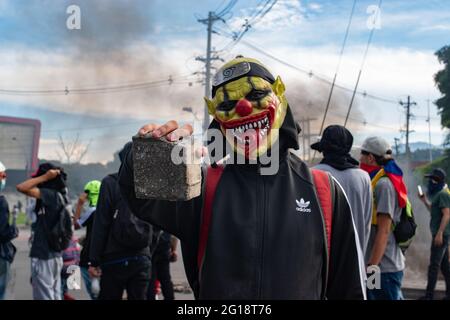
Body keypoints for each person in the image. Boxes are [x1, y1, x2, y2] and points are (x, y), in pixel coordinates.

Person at [118, 56, 366, 299]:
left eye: (256, 95)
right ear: (218, 119)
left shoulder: (325, 192)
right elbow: (140, 197)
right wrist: (145, 154)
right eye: (227, 104)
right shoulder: (203, 189)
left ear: (279, 97)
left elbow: (349, 289)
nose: (244, 107)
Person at [88, 157, 152, 300]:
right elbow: (158, 224)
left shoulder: (110, 182)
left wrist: (94, 260)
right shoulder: (149, 182)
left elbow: (101, 224)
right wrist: (148, 253)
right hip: (141, 257)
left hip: (113, 257)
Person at [312, 125, 372, 256]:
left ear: (323, 149)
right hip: (356, 260)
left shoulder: (313, 174)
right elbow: (366, 222)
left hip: (323, 262)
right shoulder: (363, 177)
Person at [360, 136, 406, 300]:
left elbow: (384, 230)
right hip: (380, 264)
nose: (359, 159)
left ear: (370, 157)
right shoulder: (378, 180)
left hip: (383, 268)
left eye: (362, 154)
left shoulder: (384, 184)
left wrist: (372, 267)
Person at [16, 163, 68, 300]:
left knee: (44, 296)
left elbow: (21, 187)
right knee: (55, 295)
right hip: (55, 256)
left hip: (44, 256)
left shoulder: (51, 196)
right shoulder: (61, 196)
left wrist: (44, 177)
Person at [418, 168, 450, 300]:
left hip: (440, 235)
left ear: (437, 180)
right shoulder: (439, 194)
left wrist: (440, 233)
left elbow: (447, 215)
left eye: (432, 179)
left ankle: (429, 296)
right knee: (444, 266)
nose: (430, 181)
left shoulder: (443, 194)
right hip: (440, 234)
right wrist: (424, 201)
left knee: (434, 266)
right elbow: (434, 210)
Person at [73, 180, 101, 300]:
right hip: (105, 256)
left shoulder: (92, 211)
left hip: (90, 256)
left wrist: (79, 204)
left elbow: (76, 224)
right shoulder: (108, 209)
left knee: (95, 293)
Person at [0, 161, 19, 300]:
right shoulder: (1, 202)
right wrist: (14, 229)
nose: (4, 179)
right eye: (2, 175)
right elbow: (2, 233)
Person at [148, 231, 177, 300]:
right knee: (166, 279)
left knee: (151, 280)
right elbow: (173, 235)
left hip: (151, 250)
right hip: (164, 248)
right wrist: (173, 250)